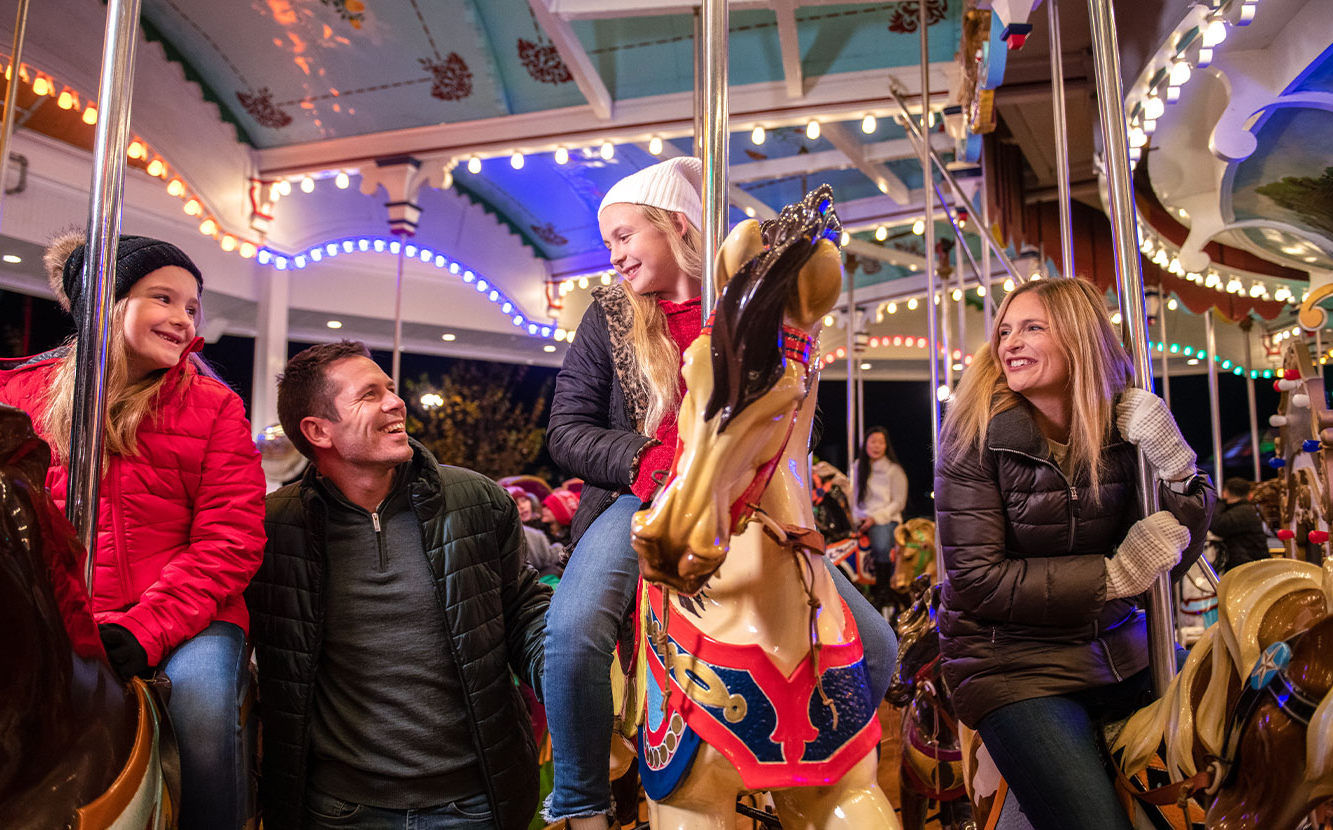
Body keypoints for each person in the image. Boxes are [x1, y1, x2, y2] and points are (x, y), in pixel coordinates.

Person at [543, 157, 897, 829]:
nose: (613, 254)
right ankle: (582, 799)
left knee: (875, 642)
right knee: (574, 628)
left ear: (676, 225)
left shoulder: (742, 307)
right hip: (643, 497)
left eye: (624, 236)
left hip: (745, 497)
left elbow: (789, 414)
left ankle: (806, 769)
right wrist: (647, 462)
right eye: (609, 241)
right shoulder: (610, 318)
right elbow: (566, 430)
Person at [0, 232, 265, 830]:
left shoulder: (214, 408)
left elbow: (230, 540)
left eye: (192, 307)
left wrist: (145, 628)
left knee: (204, 709)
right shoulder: (25, 399)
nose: (183, 319)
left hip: (185, 617)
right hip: (62, 609)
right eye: (162, 299)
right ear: (104, 305)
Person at [934, 277, 1215, 830]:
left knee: (1250, 728)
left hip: (1123, 650)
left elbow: (1165, 555)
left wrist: (1178, 469)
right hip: (1012, 663)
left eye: (1032, 327)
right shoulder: (972, 437)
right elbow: (976, 579)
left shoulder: (1118, 430)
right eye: (1005, 330)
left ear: (1082, 339)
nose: (1009, 342)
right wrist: (1110, 578)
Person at [247, 341, 551, 830]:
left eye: (391, 388)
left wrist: (567, 668)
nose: (396, 401)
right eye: (370, 395)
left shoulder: (476, 500)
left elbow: (521, 610)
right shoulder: (272, 529)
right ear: (318, 430)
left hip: (474, 802)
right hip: (339, 810)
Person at [854, 426, 908, 607]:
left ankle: (883, 591)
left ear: (886, 446)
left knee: (880, 543)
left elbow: (898, 502)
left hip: (886, 519)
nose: (876, 446)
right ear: (865, 444)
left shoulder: (894, 470)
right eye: (873, 441)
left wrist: (875, 518)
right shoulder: (858, 467)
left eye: (880, 442)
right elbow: (854, 497)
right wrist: (858, 517)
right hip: (862, 518)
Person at [1210, 476, 1269, 573]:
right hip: (1252, 566)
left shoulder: (1243, 511)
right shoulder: (1245, 510)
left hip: (1249, 569)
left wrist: (1218, 504)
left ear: (1225, 493)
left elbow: (1218, 526)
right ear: (1249, 494)